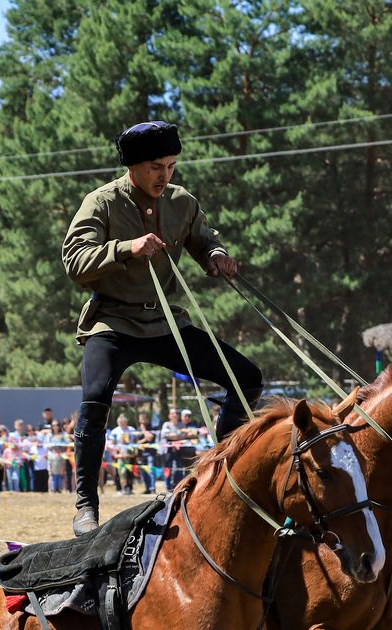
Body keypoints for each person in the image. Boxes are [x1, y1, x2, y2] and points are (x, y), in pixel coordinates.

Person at [62, 119, 262, 534]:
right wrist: (127, 248)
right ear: (133, 166)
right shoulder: (101, 202)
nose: (164, 175)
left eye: (171, 165)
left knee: (246, 377)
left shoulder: (182, 201)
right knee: (95, 398)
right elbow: (75, 262)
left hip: (164, 321)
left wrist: (216, 256)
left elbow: (204, 240)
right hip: (112, 321)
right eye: (156, 166)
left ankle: (219, 478)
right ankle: (85, 505)